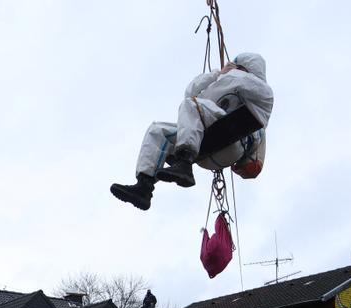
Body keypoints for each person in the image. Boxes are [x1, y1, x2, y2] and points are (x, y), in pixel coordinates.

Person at [111, 53, 274, 211]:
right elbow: (190, 92)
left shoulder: (263, 92)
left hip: (234, 142)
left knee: (191, 105)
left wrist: (228, 73)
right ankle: (144, 186)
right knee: (158, 130)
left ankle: (184, 163)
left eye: (238, 67)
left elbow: (232, 84)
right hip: (208, 144)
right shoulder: (226, 81)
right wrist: (217, 74)